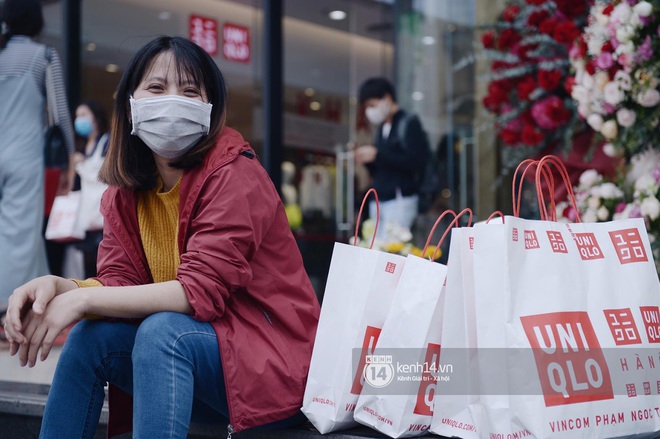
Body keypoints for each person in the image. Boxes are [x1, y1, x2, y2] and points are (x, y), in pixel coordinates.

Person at [4, 35, 320, 438]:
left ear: (209, 109)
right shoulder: (126, 193)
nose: (173, 100)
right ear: (131, 105)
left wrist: (80, 299)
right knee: (89, 337)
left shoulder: (235, 175)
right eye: (157, 87)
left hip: (275, 370)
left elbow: (198, 292)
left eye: (190, 91)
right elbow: (120, 284)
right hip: (206, 366)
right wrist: (62, 286)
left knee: (162, 331)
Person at [0, 0, 75, 345]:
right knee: (19, 236)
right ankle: (9, 314)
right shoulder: (42, 56)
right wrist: (69, 159)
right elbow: (59, 115)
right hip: (23, 155)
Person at [354, 77, 429, 241]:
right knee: (375, 247)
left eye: (372, 105)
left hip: (400, 199)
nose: (370, 111)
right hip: (379, 200)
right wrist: (368, 160)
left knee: (394, 250)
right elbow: (382, 169)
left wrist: (377, 154)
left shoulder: (408, 123)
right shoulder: (381, 128)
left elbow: (415, 162)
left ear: (387, 98)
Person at [71, 99, 110, 278]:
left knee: (102, 263)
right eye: (77, 116)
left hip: (102, 215)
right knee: (87, 264)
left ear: (95, 117)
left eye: (83, 115)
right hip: (87, 217)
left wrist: (81, 164)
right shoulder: (81, 146)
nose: (79, 119)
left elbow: (104, 176)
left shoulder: (107, 141)